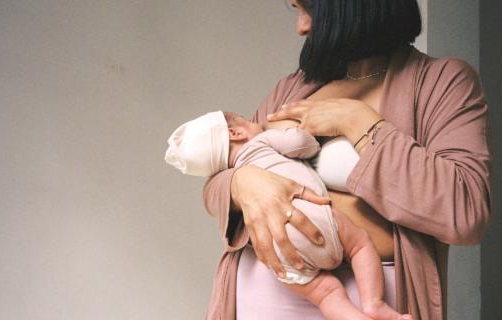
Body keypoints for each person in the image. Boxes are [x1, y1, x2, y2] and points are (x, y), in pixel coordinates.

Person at [202, 0, 492, 319]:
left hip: (372, 303)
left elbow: (465, 210)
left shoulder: (443, 82)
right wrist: (243, 183)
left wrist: (360, 123)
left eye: (309, 9)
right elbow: (216, 182)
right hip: (261, 297)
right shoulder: (293, 88)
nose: (302, 27)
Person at [164, 110, 410, 320]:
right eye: (246, 119)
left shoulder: (234, 169)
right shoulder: (262, 141)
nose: (256, 120)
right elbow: (302, 143)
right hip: (316, 220)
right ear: (235, 134)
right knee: (359, 245)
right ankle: (374, 304)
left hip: (279, 254)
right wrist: (302, 134)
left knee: (326, 295)